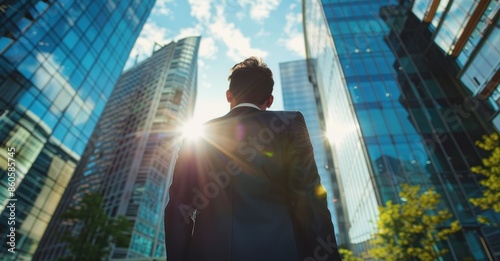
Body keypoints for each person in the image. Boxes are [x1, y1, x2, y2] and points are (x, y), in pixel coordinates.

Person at [164, 57, 342, 261]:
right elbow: (309, 199)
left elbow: (179, 208)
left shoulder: (198, 135)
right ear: (269, 100)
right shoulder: (290, 124)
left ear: (229, 95)